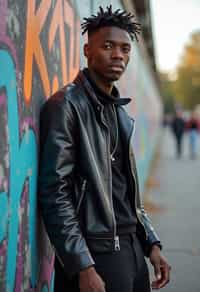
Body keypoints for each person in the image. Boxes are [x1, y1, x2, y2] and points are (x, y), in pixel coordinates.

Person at [38, 6, 171, 292]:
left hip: (132, 249)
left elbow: (128, 190)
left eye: (125, 49)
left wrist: (151, 242)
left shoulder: (120, 113)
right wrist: (82, 264)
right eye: (108, 46)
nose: (118, 55)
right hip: (97, 253)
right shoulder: (66, 106)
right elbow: (54, 192)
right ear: (87, 50)